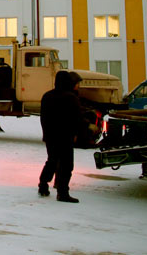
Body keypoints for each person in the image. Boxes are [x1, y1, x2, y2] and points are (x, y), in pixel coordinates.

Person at [38, 70, 83, 203]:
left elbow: (43, 118)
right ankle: (63, 193)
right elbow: (76, 118)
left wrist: (46, 133)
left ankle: (43, 185)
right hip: (65, 137)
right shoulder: (71, 98)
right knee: (66, 165)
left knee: (51, 161)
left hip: (50, 136)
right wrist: (76, 133)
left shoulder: (47, 96)